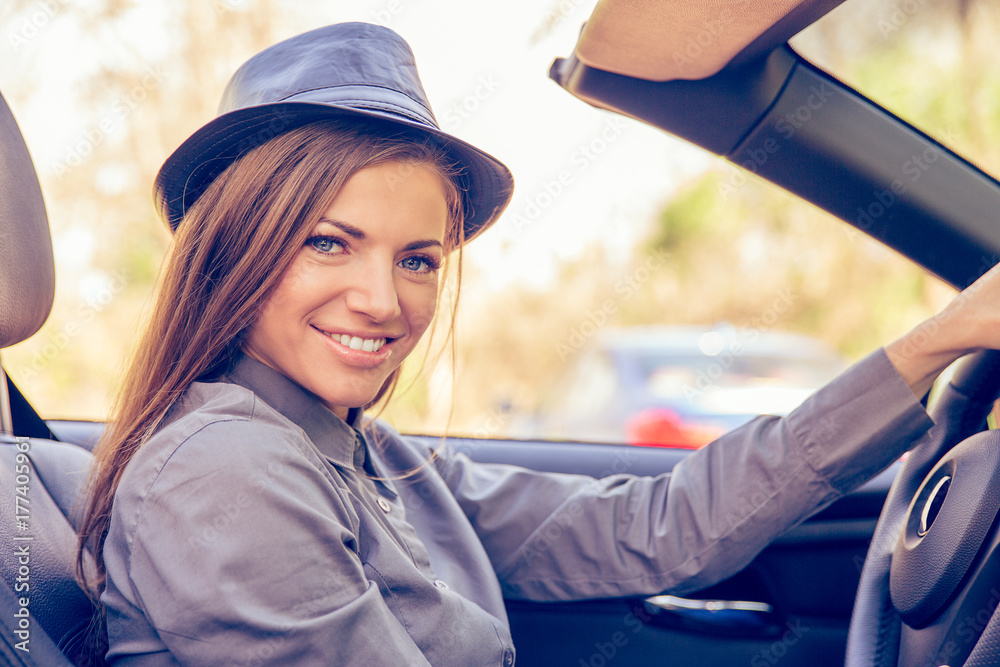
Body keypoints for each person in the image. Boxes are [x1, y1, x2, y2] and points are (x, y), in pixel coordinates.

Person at [75, 22, 1000, 665]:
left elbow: (657, 525)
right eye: (328, 242)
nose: (383, 299)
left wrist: (934, 344)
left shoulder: (369, 459)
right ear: (234, 245)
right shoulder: (224, 468)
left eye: (420, 259)